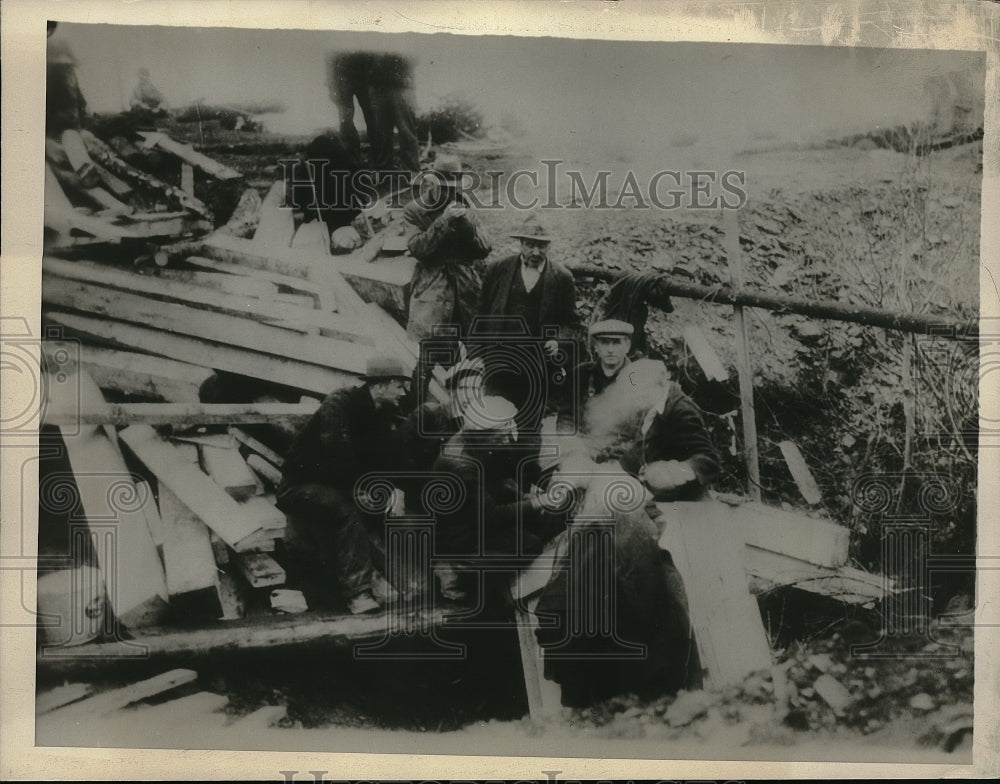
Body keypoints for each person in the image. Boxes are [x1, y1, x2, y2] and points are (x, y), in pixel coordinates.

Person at [275, 356, 411, 614]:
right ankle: (357, 595)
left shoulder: (380, 414)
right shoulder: (340, 403)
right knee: (347, 510)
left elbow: (388, 456)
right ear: (379, 386)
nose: (403, 393)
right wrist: (364, 489)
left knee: (372, 508)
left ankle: (400, 582)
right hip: (300, 486)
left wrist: (396, 488)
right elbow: (338, 452)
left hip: (335, 485)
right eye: (399, 386)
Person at [475, 212, 579, 485]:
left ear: (549, 246)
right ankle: (492, 484)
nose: (535, 251)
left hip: (536, 370)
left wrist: (558, 340)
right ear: (519, 243)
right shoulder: (498, 269)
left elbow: (571, 323)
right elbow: (480, 315)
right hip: (498, 365)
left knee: (529, 428)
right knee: (492, 424)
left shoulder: (562, 278)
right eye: (529, 244)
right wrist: (477, 356)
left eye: (541, 245)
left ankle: (524, 487)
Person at [430, 395, 563, 601]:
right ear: (483, 434)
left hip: (474, 511)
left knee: (537, 523)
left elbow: (496, 482)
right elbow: (490, 516)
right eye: (500, 436)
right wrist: (538, 502)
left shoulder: (478, 444)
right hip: (459, 531)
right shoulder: (460, 465)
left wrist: (525, 497)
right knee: (529, 545)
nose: (506, 441)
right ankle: (457, 568)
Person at [404, 155, 491, 399]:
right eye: (444, 188)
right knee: (428, 358)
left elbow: (485, 248)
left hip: (466, 288)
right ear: (431, 183)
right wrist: (444, 221)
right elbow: (418, 248)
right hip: (433, 289)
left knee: (476, 354)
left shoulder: (466, 207)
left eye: (453, 188)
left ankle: (472, 411)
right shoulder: (415, 210)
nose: (449, 194)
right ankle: (417, 412)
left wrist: (465, 226)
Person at [368, 53, 420, 176]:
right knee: (381, 133)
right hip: (377, 86)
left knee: (407, 132)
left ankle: (412, 173)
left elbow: (415, 55)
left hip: (401, 86)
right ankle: (384, 173)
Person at [326, 51, 376, 167]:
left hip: (366, 75)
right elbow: (330, 54)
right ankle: (353, 161)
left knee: (373, 118)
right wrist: (331, 84)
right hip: (343, 77)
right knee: (346, 120)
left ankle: (378, 161)